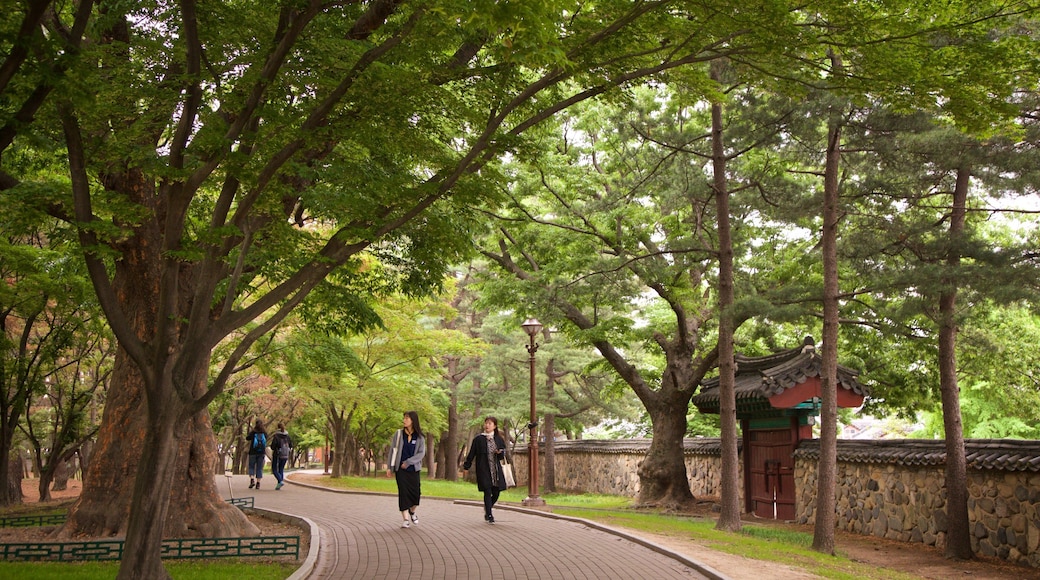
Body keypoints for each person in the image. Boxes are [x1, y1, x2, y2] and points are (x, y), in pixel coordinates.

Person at [463, 416, 508, 524]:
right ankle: (489, 514)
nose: (487, 425)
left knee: (496, 492)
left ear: (494, 426)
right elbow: (472, 453)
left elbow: (503, 454)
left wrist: (500, 453)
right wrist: (466, 466)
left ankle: (488, 507)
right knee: (487, 491)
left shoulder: (498, 439)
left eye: (490, 423)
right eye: (486, 423)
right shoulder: (478, 439)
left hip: (495, 470)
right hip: (484, 469)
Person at [386, 410, 425, 528]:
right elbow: (393, 451)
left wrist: (409, 462)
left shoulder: (419, 437)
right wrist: (389, 467)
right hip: (400, 470)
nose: (404, 420)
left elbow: (421, 453)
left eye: (407, 418)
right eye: (404, 418)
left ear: (413, 420)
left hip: (414, 470)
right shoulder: (398, 434)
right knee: (403, 493)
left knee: (416, 495)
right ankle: (405, 519)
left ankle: (412, 512)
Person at [246, 419, 268, 490]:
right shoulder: (264, 432)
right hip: (261, 452)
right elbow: (266, 438)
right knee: (259, 468)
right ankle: (258, 483)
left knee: (251, 466)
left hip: (252, 452)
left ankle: (252, 479)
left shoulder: (253, 432)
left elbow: (247, 438)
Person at [270, 423, 293, 490]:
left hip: (277, 455)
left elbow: (273, 446)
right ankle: (279, 484)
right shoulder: (287, 436)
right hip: (285, 455)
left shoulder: (276, 436)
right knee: (281, 469)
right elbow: (291, 445)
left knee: (274, 469)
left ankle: (280, 481)